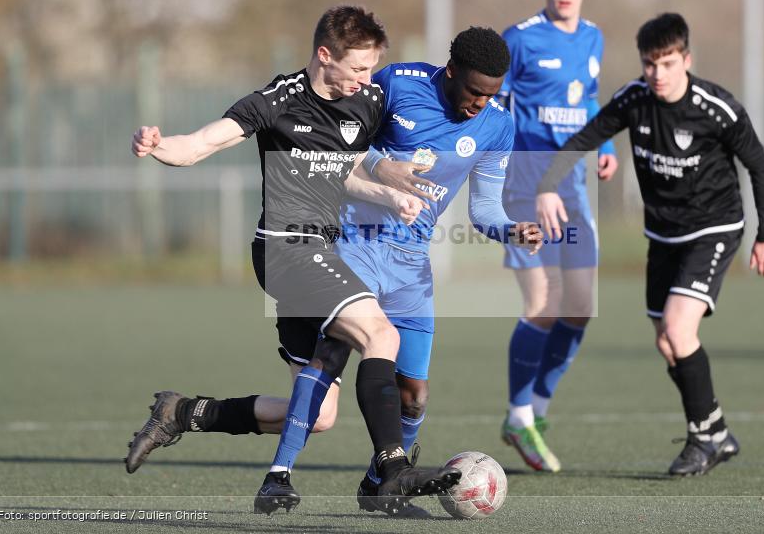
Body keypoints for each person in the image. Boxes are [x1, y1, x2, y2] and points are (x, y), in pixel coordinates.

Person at [124, 26, 542, 518]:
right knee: (348, 347)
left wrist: (511, 230)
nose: (479, 103)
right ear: (451, 72)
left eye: (490, 94)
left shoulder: (493, 124)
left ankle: (192, 414)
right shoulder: (389, 87)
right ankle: (331, 474)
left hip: (409, 264)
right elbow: (334, 149)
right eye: (473, 91)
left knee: (392, 400)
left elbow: (478, 206)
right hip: (343, 245)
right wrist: (159, 145)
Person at [536, 12, 764, 476]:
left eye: (667, 63)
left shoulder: (716, 108)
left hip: (714, 228)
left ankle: (703, 440)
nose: (657, 74)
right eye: (650, 64)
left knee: (678, 327)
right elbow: (588, 135)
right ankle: (716, 432)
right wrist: (548, 183)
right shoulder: (634, 99)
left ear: (685, 59)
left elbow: (759, 165)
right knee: (667, 343)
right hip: (663, 235)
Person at [497, 0, 618, 472]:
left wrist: (607, 147)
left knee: (580, 306)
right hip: (526, 185)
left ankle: (534, 412)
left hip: (570, 187)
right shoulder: (519, 40)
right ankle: (519, 412)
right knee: (543, 305)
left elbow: (588, 98)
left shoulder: (594, 37)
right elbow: (491, 109)